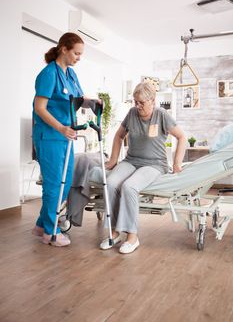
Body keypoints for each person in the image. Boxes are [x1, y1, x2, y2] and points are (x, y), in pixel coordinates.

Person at [100, 82, 186, 254]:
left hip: (155, 164)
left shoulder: (161, 115)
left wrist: (176, 163)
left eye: (142, 103)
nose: (137, 106)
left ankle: (132, 236)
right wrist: (113, 160)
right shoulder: (132, 113)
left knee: (129, 186)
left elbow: (182, 137)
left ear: (152, 100)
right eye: (135, 102)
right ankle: (115, 231)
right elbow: (119, 135)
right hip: (131, 160)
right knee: (110, 182)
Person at [32, 32, 93, 246]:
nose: (79, 57)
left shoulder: (71, 74)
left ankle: (41, 224)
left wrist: (94, 102)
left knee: (64, 184)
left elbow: (79, 99)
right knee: (53, 185)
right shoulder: (48, 74)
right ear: (64, 49)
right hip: (49, 136)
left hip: (65, 138)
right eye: (76, 53)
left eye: (81, 54)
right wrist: (60, 128)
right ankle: (51, 232)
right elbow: (39, 108)